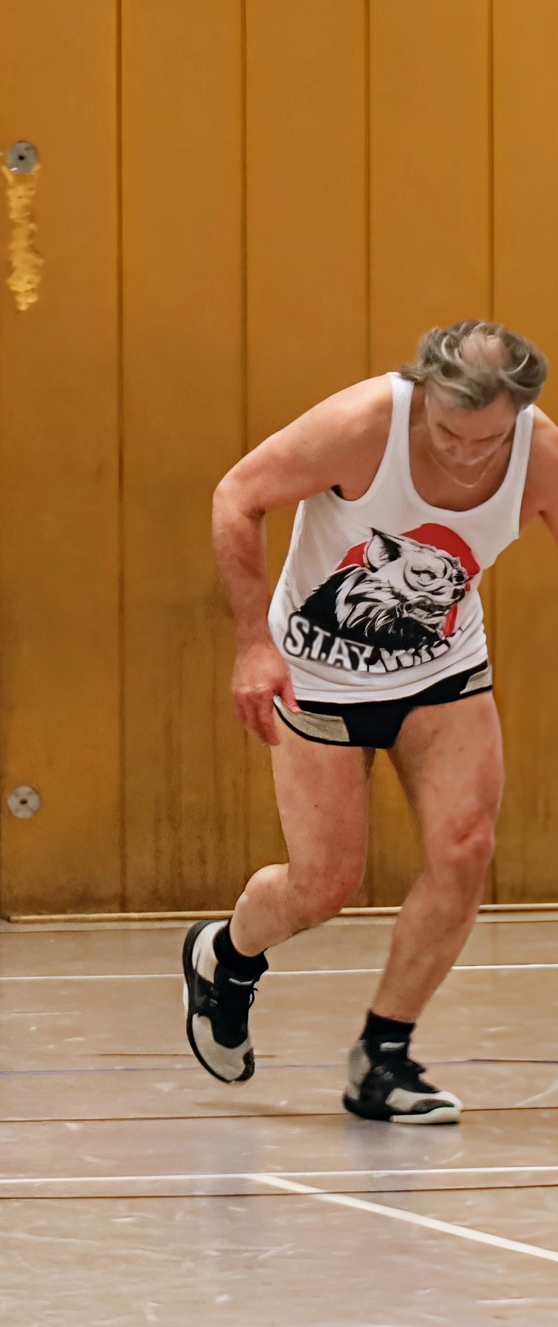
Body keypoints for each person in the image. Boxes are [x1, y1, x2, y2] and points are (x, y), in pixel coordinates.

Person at [190, 320, 558, 1124]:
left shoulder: (540, 455)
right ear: (422, 393)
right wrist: (254, 643)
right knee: (325, 883)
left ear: (521, 417)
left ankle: (384, 1054)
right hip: (316, 670)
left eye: (486, 441)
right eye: (448, 434)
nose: (465, 454)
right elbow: (237, 496)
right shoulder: (364, 425)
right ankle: (226, 955)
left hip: (443, 672)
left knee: (465, 848)